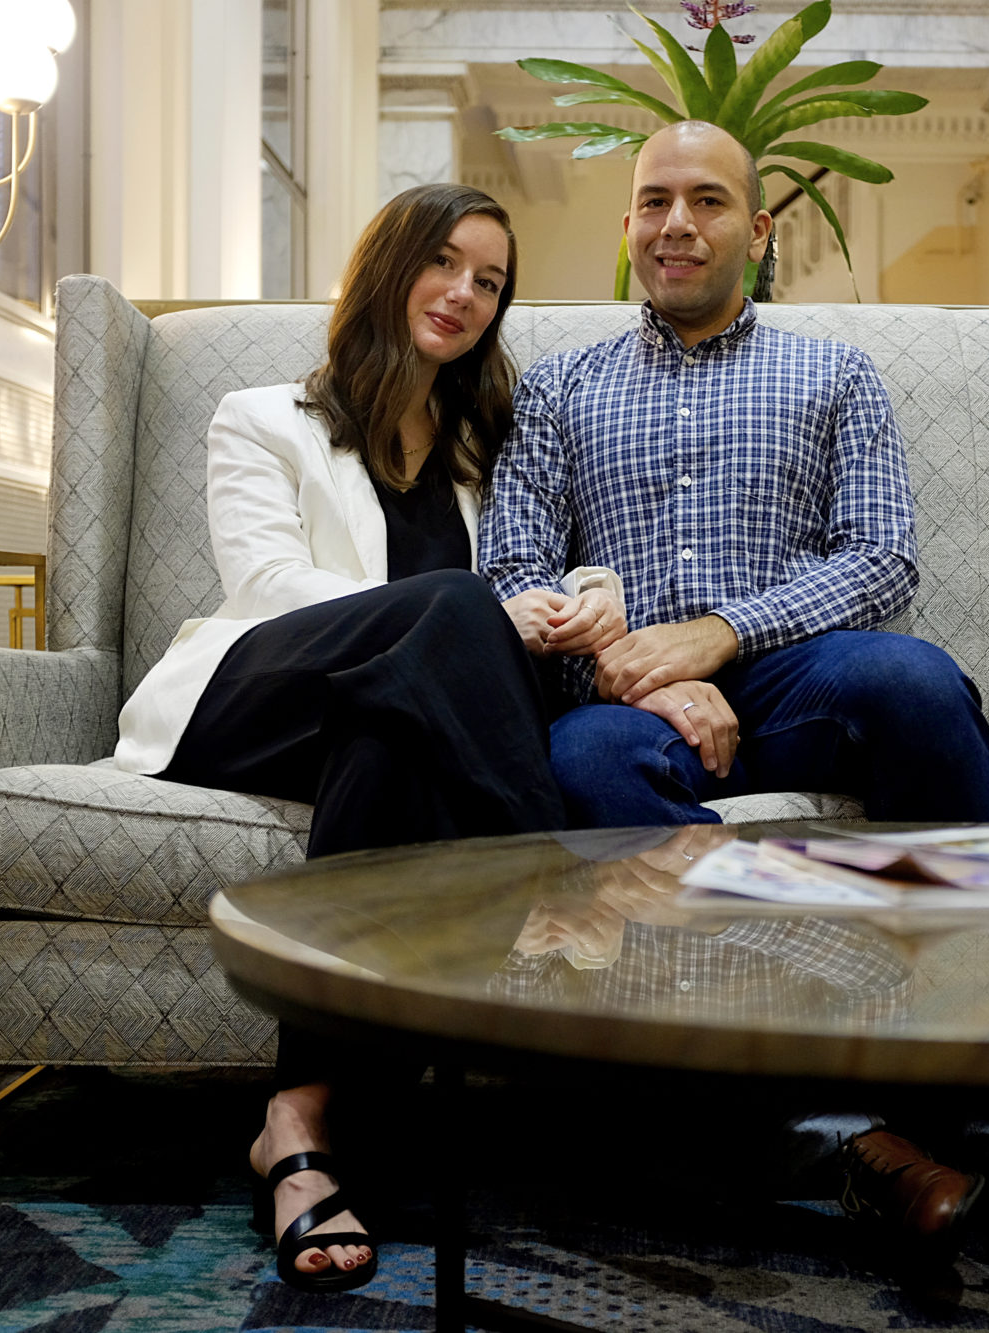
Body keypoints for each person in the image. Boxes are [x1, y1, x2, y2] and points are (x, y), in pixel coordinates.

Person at [479, 122, 989, 1281]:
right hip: (622, 699)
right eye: (654, 201)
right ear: (625, 229)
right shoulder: (558, 388)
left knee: (909, 679)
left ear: (756, 231)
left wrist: (714, 640)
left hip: (786, 674)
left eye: (707, 200)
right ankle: (853, 1142)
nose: (677, 222)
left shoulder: (832, 373)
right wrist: (639, 666)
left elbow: (879, 559)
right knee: (586, 771)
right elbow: (512, 566)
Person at [112, 184, 624, 1293]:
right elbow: (271, 588)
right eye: (443, 262)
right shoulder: (260, 416)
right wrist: (477, 612)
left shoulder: (494, 443)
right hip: (255, 696)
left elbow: (561, 556)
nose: (463, 294)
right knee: (444, 607)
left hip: (381, 721)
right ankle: (551, 877)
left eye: (488, 281)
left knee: (389, 741)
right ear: (388, 266)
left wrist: (587, 594)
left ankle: (299, 1125)